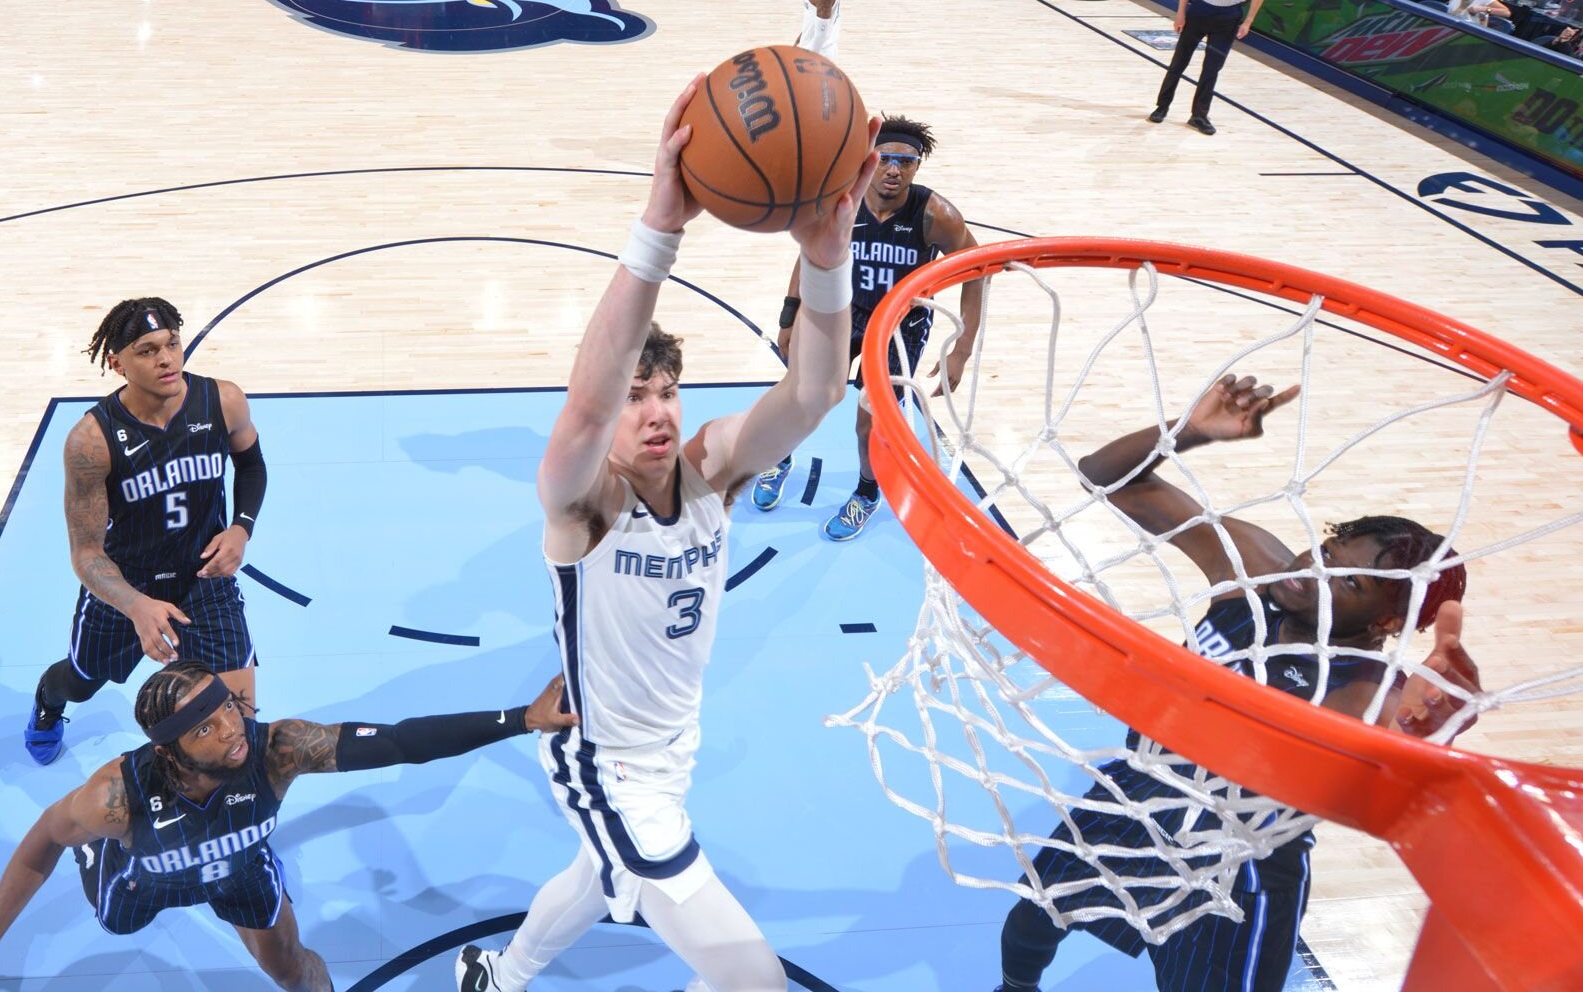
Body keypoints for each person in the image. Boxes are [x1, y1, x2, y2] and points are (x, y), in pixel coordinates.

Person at [452, 79, 879, 992]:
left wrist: (827, 256)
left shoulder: (711, 470)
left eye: (666, 393)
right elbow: (582, 410)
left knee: (599, 877)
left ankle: (496, 975)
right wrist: (661, 223)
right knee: (752, 980)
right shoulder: (585, 508)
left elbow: (814, 395)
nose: (652, 412)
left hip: (670, 747)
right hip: (604, 761)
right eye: (635, 397)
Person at [993, 374, 1480, 992]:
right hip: (1140, 795)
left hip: (1238, 864)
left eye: (1350, 583)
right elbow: (1105, 475)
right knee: (1031, 923)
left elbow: (1398, 749)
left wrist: (1431, 727)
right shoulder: (1256, 571)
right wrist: (1190, 432)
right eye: (1330, 550)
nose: (1316, 571)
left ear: (1387, 622)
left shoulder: (1368, 686)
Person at [0, 663, 576, 992]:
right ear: (169, 752)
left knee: (294, 970)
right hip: (142, 880)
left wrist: (520, 717)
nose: (230, 730)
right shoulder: (115, 799)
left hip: (238, 868)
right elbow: (41, 843)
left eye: (227, 708)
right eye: (205, 729)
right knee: (115, 918)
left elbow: (402, 742)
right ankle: (99, 860)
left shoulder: (279, 750)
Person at [23, 298, 269, 766]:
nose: (166, 359)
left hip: (204, 580)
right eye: (148, 350)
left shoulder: (223, 399)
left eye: (172, 344)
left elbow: (251, 465)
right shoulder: (91, 440)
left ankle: (233, 816)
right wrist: (135, 605)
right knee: (80, 681)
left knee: (240, 717)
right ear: (117, 363)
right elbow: (87, 553)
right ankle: (47, 703)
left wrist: (242, 528)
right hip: (126, 585)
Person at [749, 114, 984, 542]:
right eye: (887, 159)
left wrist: (961, 350)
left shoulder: (936, 215)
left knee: (866, 424)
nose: (894, 169)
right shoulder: (841, 200)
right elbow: (810, 255)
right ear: (870, 160)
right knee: (803, 396)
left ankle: (867, 493)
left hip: (899, 328)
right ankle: (780, 460)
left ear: (916, 167)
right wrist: (789, 314)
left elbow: (978, 269)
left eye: (906, 162)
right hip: (842, 313)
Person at [1150, 0, 1276, 136]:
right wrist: (1181, 12)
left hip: (1228, 18)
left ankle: (1199, 116)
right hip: (1200, 11)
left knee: (1212, 69)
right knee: (1179, 62)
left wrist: (1249, 20)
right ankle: (1162, 106)